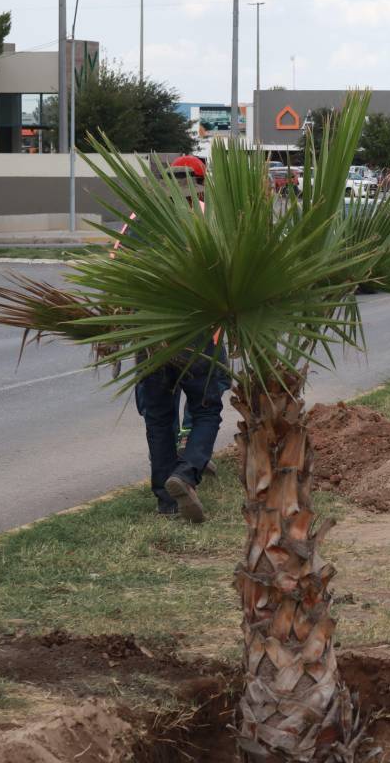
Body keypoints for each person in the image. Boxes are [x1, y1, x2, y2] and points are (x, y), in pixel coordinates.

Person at [121, 159, 229, 521]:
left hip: (149, 335)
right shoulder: (207, 216)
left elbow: (117, 270)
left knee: (158, 415)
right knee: (205, 409)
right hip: (199, 335)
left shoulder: (138, 219)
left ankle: (166, 501)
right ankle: (185, 474)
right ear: (200, 184)